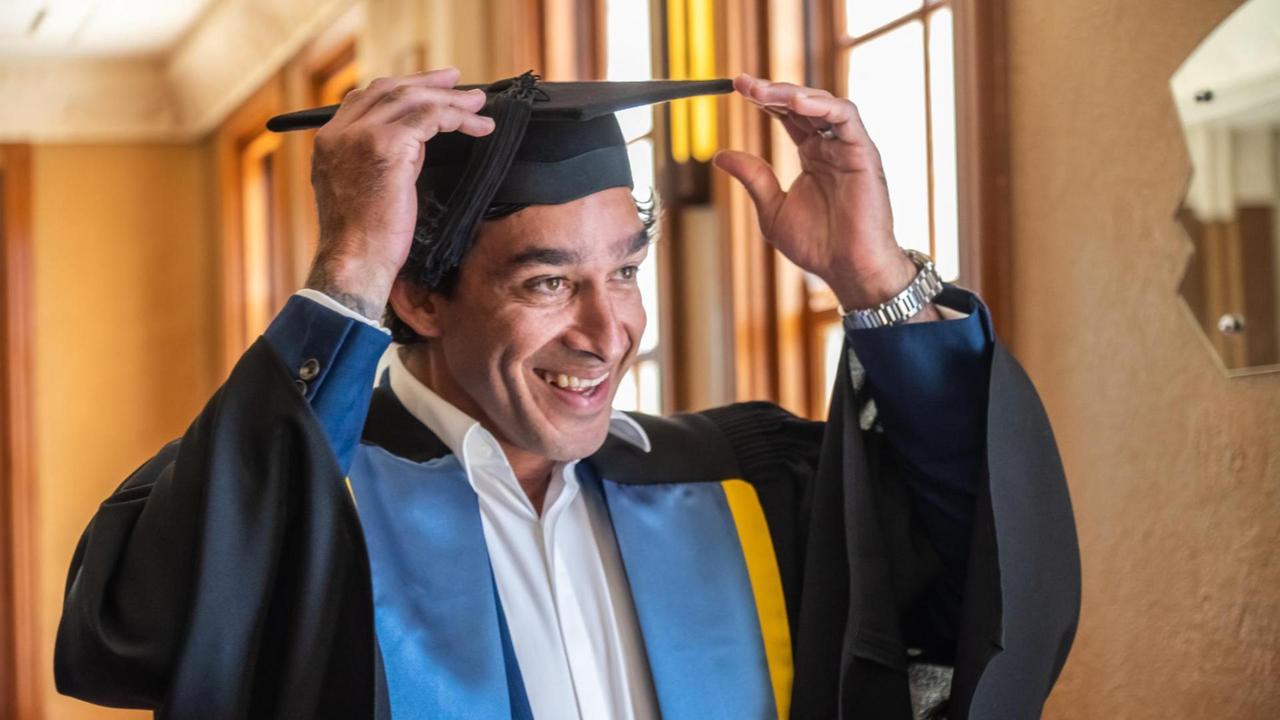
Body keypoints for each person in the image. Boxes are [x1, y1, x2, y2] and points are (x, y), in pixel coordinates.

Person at [54, 67, 1079, 719]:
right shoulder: (309, 511)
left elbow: (983, 576)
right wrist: (346, 271)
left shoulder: (741, 483)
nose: (607, 331)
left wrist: (874, 281)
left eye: (624, 270)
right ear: (415, 296)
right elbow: (136, 636)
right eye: (547, 282)